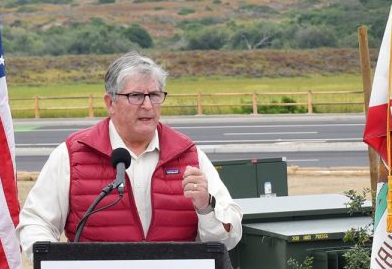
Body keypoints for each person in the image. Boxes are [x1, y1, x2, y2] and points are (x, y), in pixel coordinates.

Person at [18, 52, 241, 254]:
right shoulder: (72, 154)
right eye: (135, 96)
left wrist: (205, 207)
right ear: (110, 102)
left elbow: (229, 238)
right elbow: (36, 224)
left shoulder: (189, 155)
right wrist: (57, 268)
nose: (147, 105)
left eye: (154, 95)